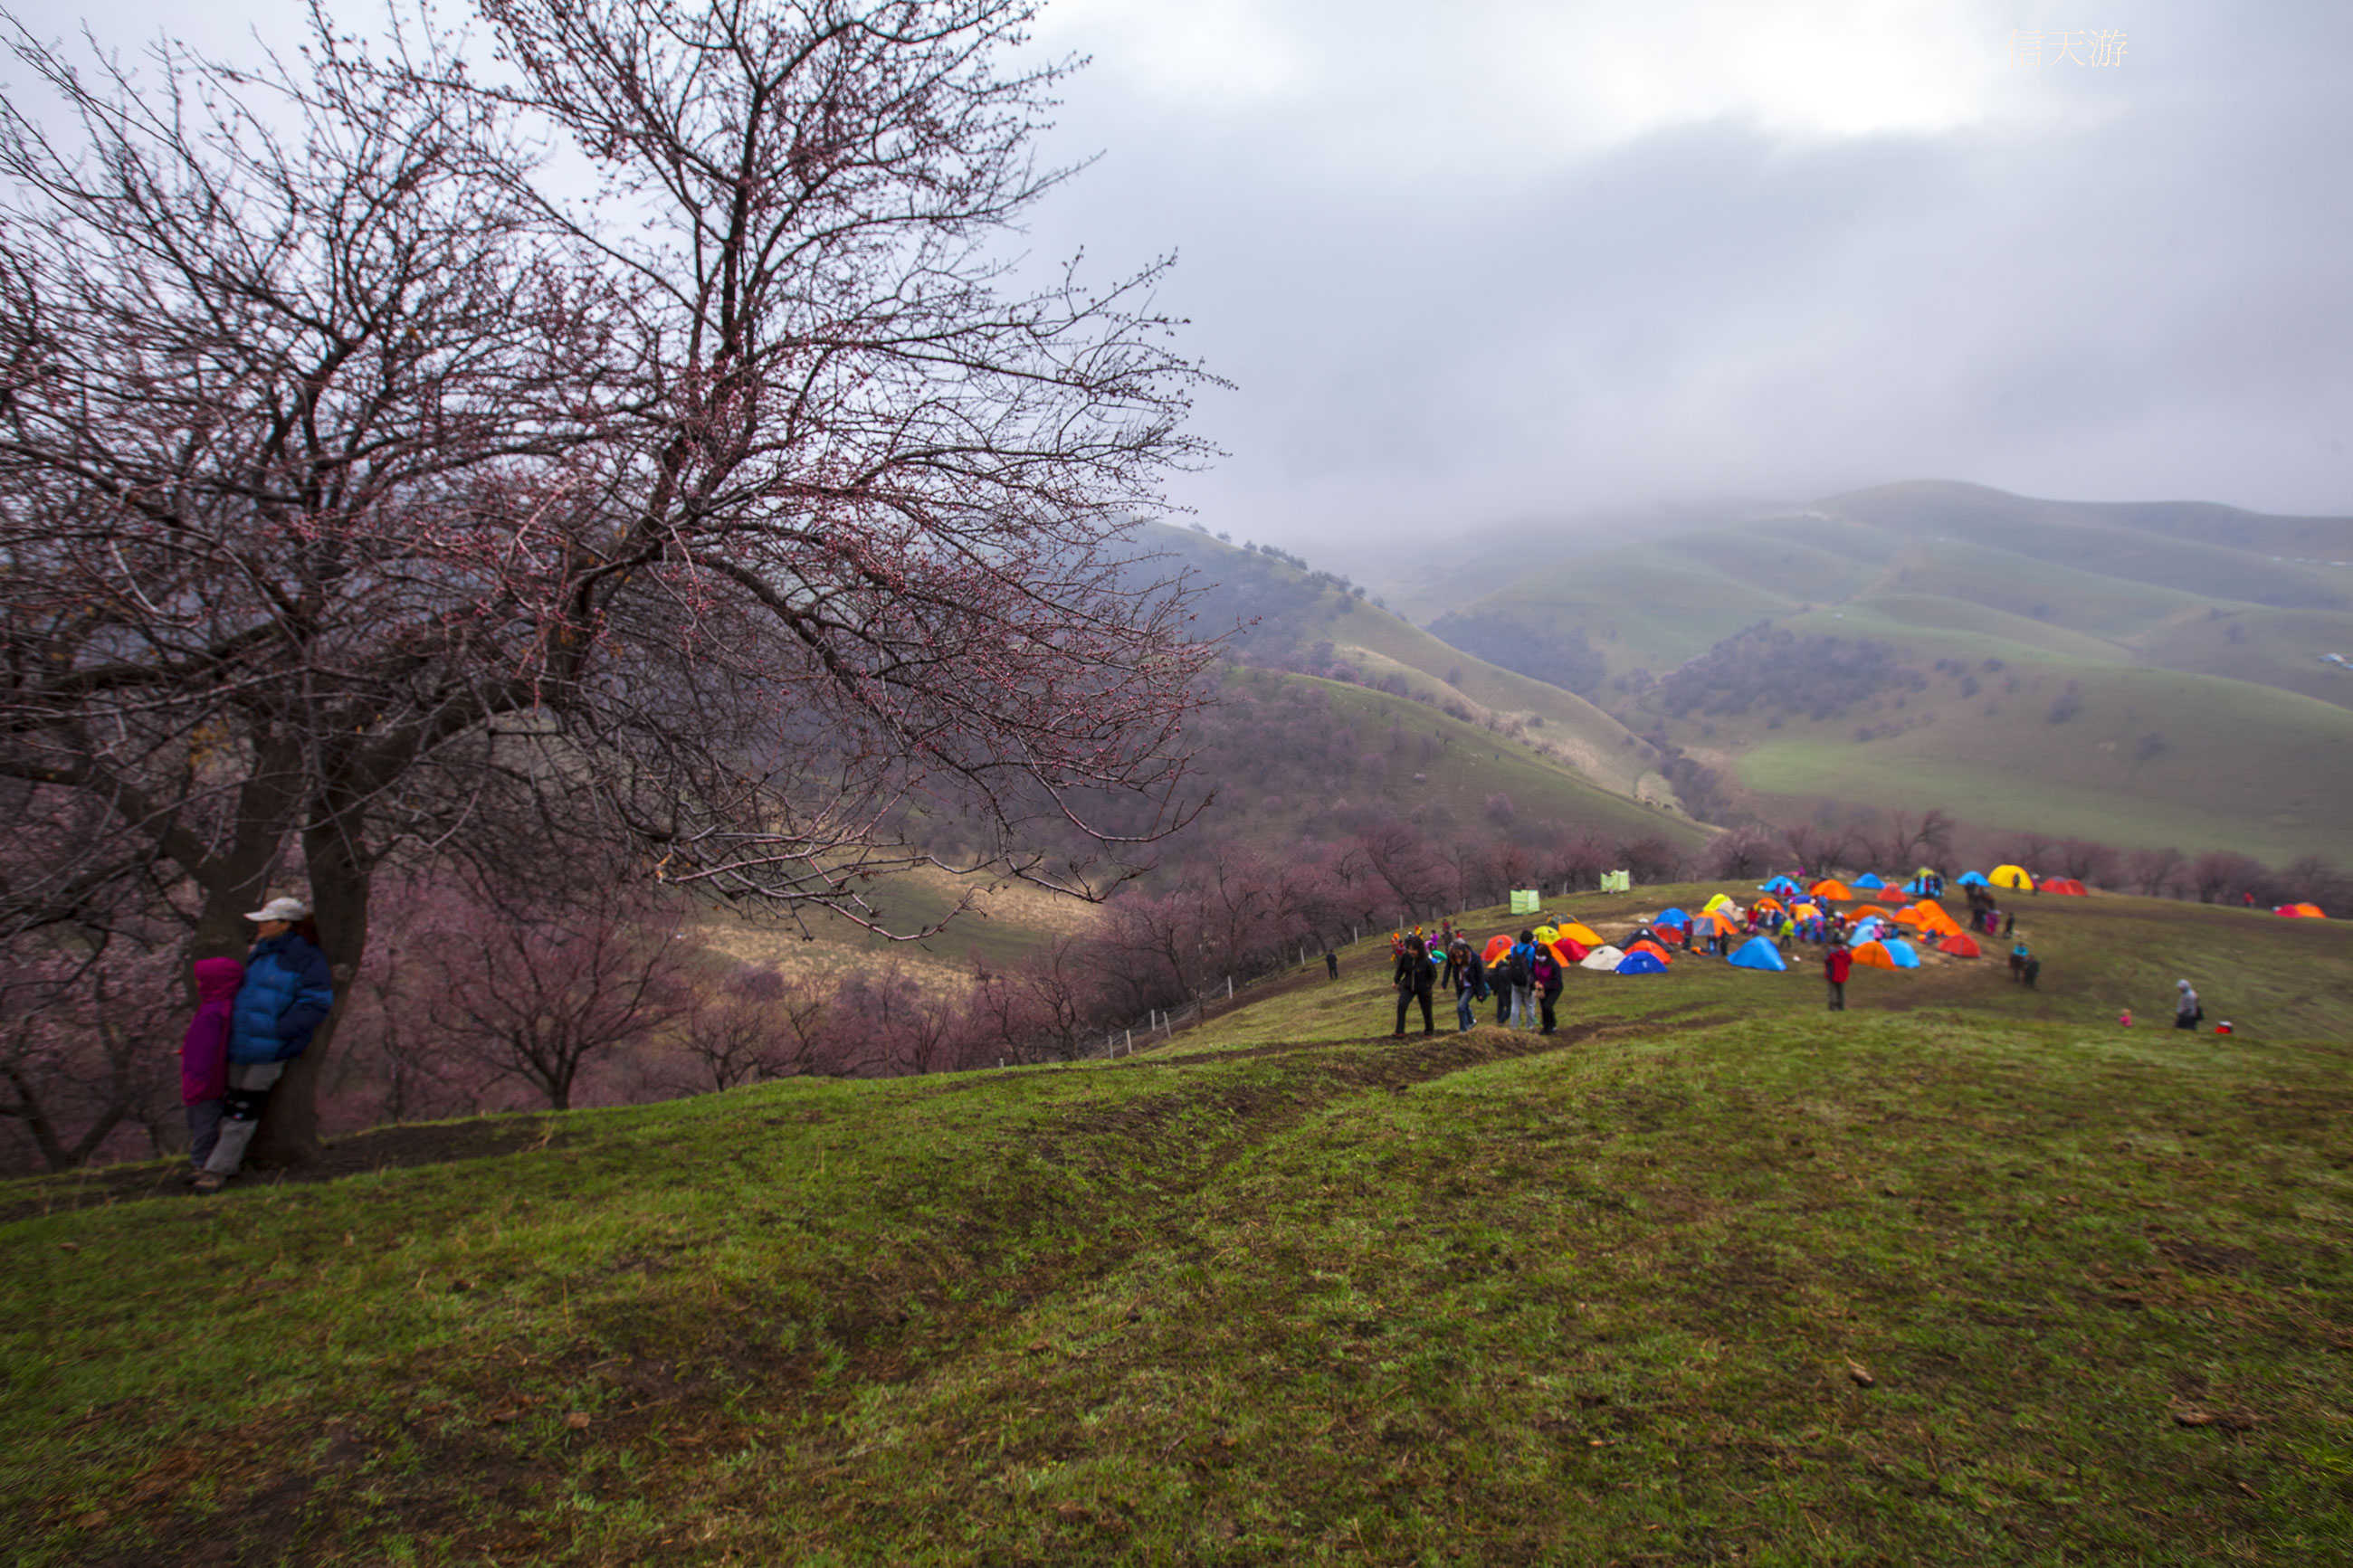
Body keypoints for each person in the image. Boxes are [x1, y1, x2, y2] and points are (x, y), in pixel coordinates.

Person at [193, 897, 336, 1193]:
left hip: (269, 1048)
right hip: (241, 1044)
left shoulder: (306, 959)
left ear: (285, 925)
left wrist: (279, 1030)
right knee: (229, 1104)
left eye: (266, 921)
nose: (260, 926)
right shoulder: (259, 954)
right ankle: (218, 1162)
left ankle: (216, 1170)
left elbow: (316, 1002)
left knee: (243, 1108)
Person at [178, 957, 245, 1180]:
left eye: (201, 980)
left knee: (203, 1124)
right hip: (208, 1077)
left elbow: (207, 1050)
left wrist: (196, 1077)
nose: (197, 984)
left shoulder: (214, 1011)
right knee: (206, 1123)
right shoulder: (219, 1007)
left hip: (205, 1080)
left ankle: (202, 1165)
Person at [1392, 933, 1435, 1038]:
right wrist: (1396, 981)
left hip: (1423, 988)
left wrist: (1428, 985)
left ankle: (1429, 1031)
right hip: (1408, 986)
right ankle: (1399, 1031)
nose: (1411, 952)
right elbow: (1400, 969)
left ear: (1419, 949)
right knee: (1401, 1005)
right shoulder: (1405, 957)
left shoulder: (1426, 961)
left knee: (1426, 1010)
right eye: (1410, 949)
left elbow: (1434, 975)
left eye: (1414, 950)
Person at [1444, 938, 1482, 1032]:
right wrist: (1444, 983)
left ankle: (1464, 1030)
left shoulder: (1474, 958)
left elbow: (1481, 975)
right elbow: (1447, 969)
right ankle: (1471, 1021)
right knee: (1464, 1004)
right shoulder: (1452, 956)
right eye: (1455, 952)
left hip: (1471, 985)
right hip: (1460, 985)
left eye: (1458, 952)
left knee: (1461, 1006)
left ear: (1464, 951)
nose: (1456, 954)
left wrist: (1480, 992)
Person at [1530, 942, 1565, 1035]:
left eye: (1540, 955)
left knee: (1548, 1006)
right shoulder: (1536, 962)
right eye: (1537, 955)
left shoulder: (1554, 964)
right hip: (1541, 988)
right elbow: (1533, 973)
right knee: (1543, 1008)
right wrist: (1535, 981)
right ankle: (1546, 1027)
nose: (1538, 957)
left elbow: (1557, 980)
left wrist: (1545, 985)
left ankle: (1552, 1026)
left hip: (1554, 988)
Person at [1824, 940, 1852, 1012]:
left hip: (1833, 974)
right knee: (1841, 991)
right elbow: (1850, 961)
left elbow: (1827, 960)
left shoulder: (1833, 954)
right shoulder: (1847, 954)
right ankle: (1841, 1005)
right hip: (1843, 975)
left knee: (1832, 991)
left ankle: (1832, 1006)